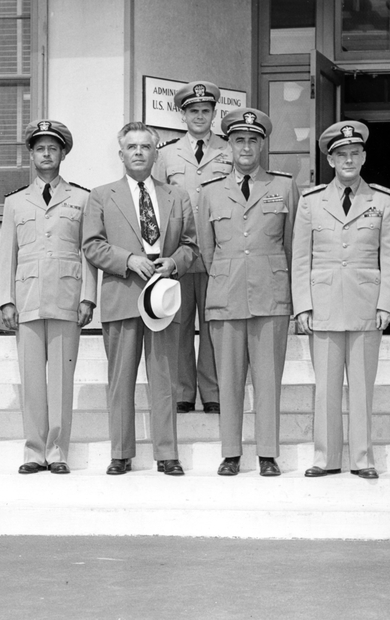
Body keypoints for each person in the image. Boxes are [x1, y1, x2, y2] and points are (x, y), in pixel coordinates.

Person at [82, 122, 198, 476]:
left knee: (164, 377)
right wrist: (128, 260)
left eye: (144, 146)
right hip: (123, 294)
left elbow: (192, 246)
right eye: (130, 147)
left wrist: (174, 262)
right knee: (121, 379)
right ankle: (121, 452)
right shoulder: (101, 195)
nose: (137, 152)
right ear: (121, 154)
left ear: (155, 152)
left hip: (162, 299)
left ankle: (167, 453)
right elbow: (91, 245)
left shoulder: (176, 196)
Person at [292, 121, 390, 480]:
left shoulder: (382, 200)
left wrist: (387, 304)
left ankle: (362, 458)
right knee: (325, 388)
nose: (349, 159)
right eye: (341, 154)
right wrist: (303, 305)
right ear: (330, 159)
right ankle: (325, 458)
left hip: (365, 305)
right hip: (322, 304)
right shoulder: (311, 201)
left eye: (355, 153)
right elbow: (300, 257)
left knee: (361, 386)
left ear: (364, 156)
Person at [197, 108, 298, 477]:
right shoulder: (210, 192)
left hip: (270, 295)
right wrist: (228, 275)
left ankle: (268, 453)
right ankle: (230, 453)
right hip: (226, 295)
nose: (246, 147)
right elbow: (208, 250)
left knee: (269, 378)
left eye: (253, 140)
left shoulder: (284, 186)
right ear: (229, 145)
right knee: (229, 379)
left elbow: (291, 246)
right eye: (239, 140)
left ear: (262, 145)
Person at [0, 120, 97, 475]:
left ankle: (57, 451)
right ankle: (33, 451)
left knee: (61, 380)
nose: (46, 154)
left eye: (53, 148)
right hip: (27, 298)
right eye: (40, 148)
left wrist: (88, 297)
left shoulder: (82, 199)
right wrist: (5, 299)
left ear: (63, 154)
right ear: (31, 154)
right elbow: (7, 254)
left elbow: (88, 252)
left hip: (67, 298)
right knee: (32, 380)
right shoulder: (15, 202)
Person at [152, 80, 232, 415]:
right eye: (193, 111)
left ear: (214, 114)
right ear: (182, 115)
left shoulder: (229, 151)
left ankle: (212, 391)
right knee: (179, 323)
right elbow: (154, 200)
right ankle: (183, 390)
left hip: (218, 253)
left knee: (214, 325)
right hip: (179, 254)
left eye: (205, 111)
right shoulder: (167, 154)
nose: (199, 116)